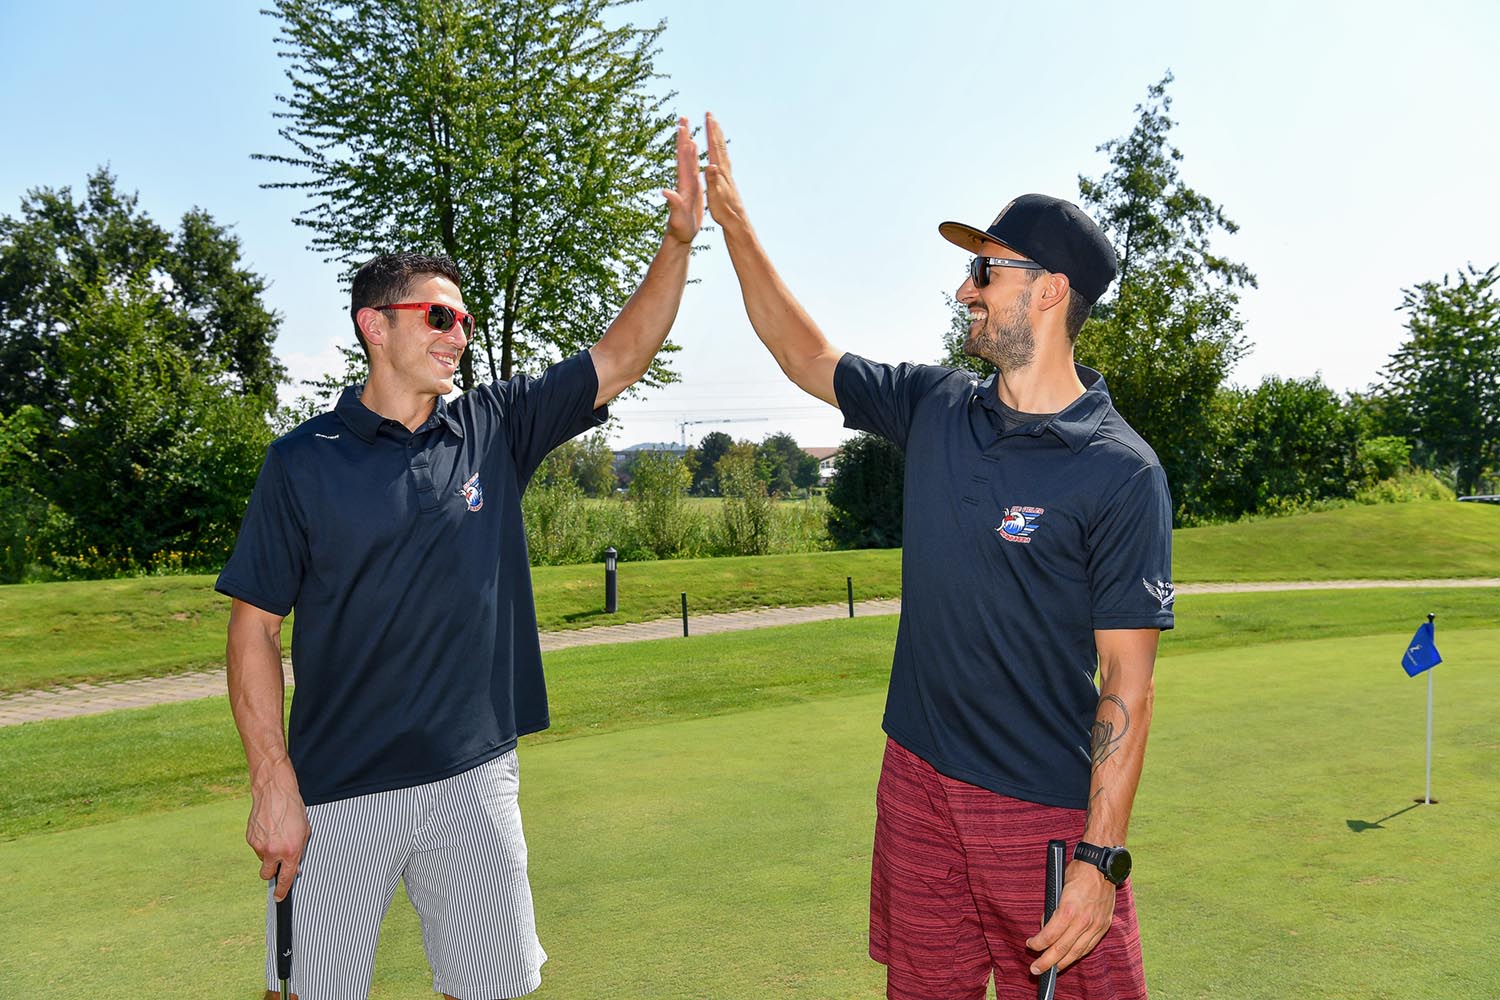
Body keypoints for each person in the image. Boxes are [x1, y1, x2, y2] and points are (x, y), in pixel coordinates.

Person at [217, 119, 702, 1000]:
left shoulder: (492, 426)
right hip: (336, 792)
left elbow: (622, 354)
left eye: (465, 321)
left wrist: (676, 243)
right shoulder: (301, 461)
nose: (458, 335)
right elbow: (253, 629)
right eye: (439, 316)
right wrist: (271, 781)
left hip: (474, 779)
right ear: (374, 325)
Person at [702, 113, 1173, 1000]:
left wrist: (1100, 857)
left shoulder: (1121, 470)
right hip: (915, 779)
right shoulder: (935, 405)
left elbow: (1127, 681)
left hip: (1038, 810)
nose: (965, 290)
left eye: (985, 271)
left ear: (1049, 291)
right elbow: (804, 352)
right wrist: (734, 224)